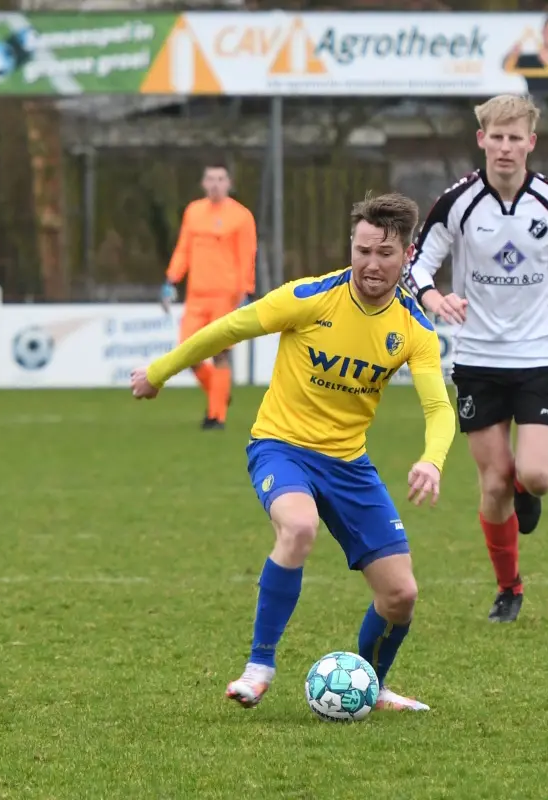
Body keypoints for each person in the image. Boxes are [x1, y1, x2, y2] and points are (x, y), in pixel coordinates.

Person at [131, 192, 455, 712]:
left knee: (401, 596)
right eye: (363, 250)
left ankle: (369, 686)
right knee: (299, 527)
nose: (372, 264)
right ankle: (259, 666)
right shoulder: (311, 297)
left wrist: (431, 459)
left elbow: (438, 407)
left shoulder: (413, 327)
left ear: (407, 255)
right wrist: (158, 372)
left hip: (349, 464)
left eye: (385, 253)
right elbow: (229, 327)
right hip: (281, 448)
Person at [402, 93, 548, 624]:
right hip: (477, 359)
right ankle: (509, 587)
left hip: (538, 355)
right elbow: (418, 266)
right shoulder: (456, 202)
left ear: (530, 143)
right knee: (494, 481)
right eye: (495, 137)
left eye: (514, 138)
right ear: (482, 140)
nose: (504, 147)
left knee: (536, 475)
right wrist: (435, 298)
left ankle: (528, 489)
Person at [161, 161, 257, 430]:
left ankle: (216, 417)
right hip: (196, 295)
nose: (215, 184)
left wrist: (246, 291)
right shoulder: (193, 212)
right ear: (203, 183)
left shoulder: (241, 216)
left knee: (220, 353)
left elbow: (247, 255)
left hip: (225, 296)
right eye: (211, 179)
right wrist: (171, 280)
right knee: (186, 353)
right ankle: (219, 392)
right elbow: (183, 249)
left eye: (220, 179)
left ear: (229, 184)